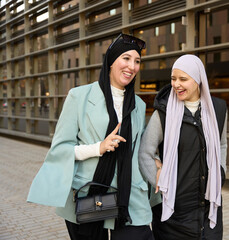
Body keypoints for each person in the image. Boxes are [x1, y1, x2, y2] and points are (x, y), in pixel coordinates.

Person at [27, 33, 154, 240]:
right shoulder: (79, 97)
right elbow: (60, 149)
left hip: (130, 197)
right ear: (111, 61)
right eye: (126, 58)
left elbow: (139, 152)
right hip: (90, 196)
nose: (132, 66)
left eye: (137, 61)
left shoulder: (138, 105)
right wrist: (98, 148)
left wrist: (156, 166)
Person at [139, 54, 228, 240]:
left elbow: (222, 144)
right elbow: (145, 152)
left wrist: (221, 172)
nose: (176, 84)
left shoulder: (218, 109)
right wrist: (159, 182)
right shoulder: (163, 113)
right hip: (174, 212)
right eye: (173, 79)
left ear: (197, 80)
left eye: (183, 79)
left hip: (209, 207)